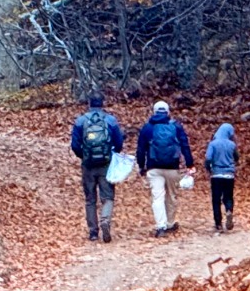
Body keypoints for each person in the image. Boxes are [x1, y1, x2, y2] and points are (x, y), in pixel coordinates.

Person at [70, 92, 124, 243]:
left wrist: (84, 156)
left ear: (89, 104)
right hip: (106, 163)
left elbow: (74, 145)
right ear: (102, 104)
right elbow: (119, 142)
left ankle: (93, 232)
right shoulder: (110, 120)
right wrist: (111, 154)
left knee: (90, 199)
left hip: (88, 165)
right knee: (107, 197)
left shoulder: (80, 121)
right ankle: (105, 220)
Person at [136, 100, 193, 237]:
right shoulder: (176, 127)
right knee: (171, 196)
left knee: (157, 197)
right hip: (172, 167)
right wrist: (190, 163)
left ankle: (161, 226)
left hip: (154, 168)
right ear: (168, 112)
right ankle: (170, 223)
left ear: (154, 112)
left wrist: (141, 166)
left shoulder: (147, 128)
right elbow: (185, 145)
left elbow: (141, 149)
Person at [205, 123, 238, 234]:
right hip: (229, 175)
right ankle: (228, 210)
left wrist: (209, 169)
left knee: (216, 199)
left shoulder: (213, 144)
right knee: (228, 197)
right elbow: (236, 157)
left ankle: (218, 224)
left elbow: (208, 158)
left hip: (216, 175)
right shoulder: (232, 145)